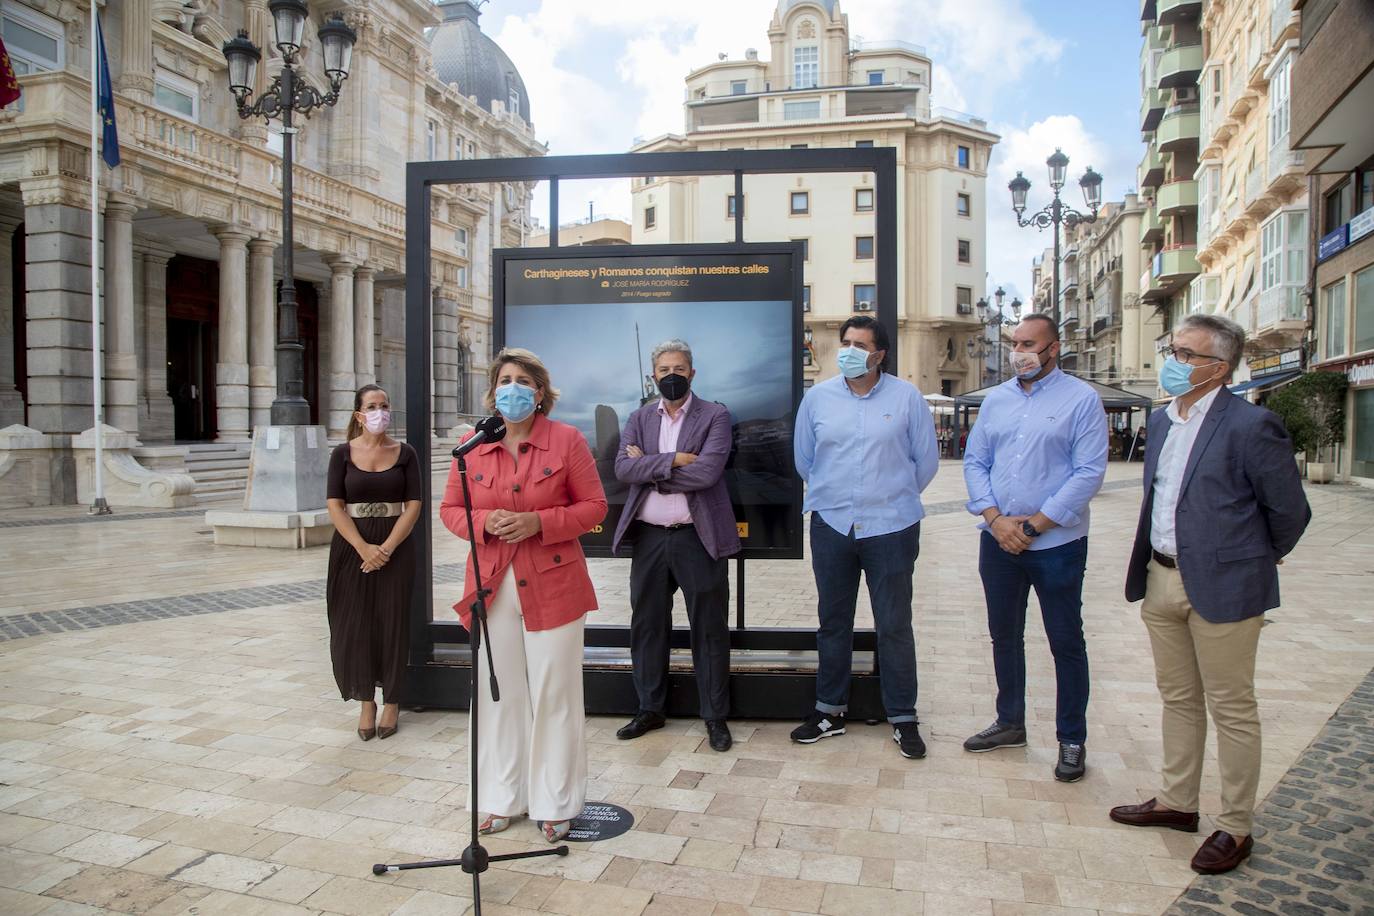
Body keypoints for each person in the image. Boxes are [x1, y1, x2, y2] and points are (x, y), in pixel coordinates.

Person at [1110, 315, 1310, 875]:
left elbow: (1290, 514)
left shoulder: (1252, 426)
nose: (1171, 360)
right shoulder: (1163, 420)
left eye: (1184, 353)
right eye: (1171, 349)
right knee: (1177, 698)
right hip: (1161, 578)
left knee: (1233, 709)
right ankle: (1178, 802)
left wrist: (1244, 562)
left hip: (1225, 588)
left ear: (1217, 368)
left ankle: (1236, 825)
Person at [439, 348, 607, 844]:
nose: (513, 388)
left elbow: (594, 506)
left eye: (523, 381)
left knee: (554, 691)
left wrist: (539, 522)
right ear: (494, 391)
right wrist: (483, 522)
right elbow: (450, 509)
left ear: (539, 392)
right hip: (490, 584)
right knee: (498, 693)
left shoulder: (567, 440)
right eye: (504, 380)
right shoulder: (471, 445)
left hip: (555, 581)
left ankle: (556, 802)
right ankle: (500, 797)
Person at [961, 314, 1108, 782]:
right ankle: (1010, 723)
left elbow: (1088, 473)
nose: (1019, 351)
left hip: (1058, 544)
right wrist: (994, 519)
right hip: (997, 540)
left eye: (1029, 343)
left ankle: (1071, 738)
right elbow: (975, 460)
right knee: (1004, 636)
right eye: (1015, 343)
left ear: (1053, 348)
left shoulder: (1081, 400)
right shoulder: (997, 401)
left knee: (1065, 641)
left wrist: (1033, 527)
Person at [791, 315, 939, 760]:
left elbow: (925, 462)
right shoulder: (817, 399)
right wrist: (836, 497)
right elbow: (805, 459)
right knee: (833, 622)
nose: (849, 350)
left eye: (859, 344)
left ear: (880, 354)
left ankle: (903, 715)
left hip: (891, 527)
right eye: (846, 342)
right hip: (832, 525)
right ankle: (828, 712)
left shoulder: (907, 397)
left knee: (894, 624)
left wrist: (888, 497)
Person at [611, 339, 741, 752]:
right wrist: (676, 459)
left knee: (709, 630)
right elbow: (621, 468)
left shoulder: (715, 415)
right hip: (649, 538)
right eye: (665, 369)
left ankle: (715, 717)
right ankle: (650, 708)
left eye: (680, 369)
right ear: (654, 375)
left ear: (692, 373)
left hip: (697, 538)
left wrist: (650, 466)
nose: (672, 375)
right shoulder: (638, 417)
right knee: (647, 627)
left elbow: (706, 474)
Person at [325, 384, 424, 742]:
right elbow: (335, 503)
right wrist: (363, 548)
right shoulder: (342, 454)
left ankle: (393, 701)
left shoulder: (405, 453)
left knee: (392, 622)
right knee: (355, 624)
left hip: (395, 546)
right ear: (359, 415)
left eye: (384, 405)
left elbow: (413, 503)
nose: (379, 411)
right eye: (372, 406)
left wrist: (385, 548)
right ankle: (366, 700)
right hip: (352, 548)